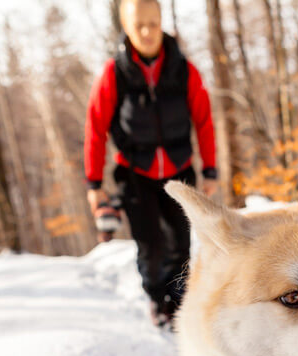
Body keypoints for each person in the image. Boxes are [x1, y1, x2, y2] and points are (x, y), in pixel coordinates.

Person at [84, 0, 217, 328]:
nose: (146, 32)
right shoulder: (114, 73)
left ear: (162, 24)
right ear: (126, 28)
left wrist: (210, 169)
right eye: (138, 25)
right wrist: (93, 184)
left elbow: (204, 120)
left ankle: (181, 300)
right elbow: (95, 128)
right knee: (151, 245)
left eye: (152, 24)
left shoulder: (183, 69)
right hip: (135, 174)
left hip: (179, 170)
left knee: (180, 242)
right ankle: (159, 300)